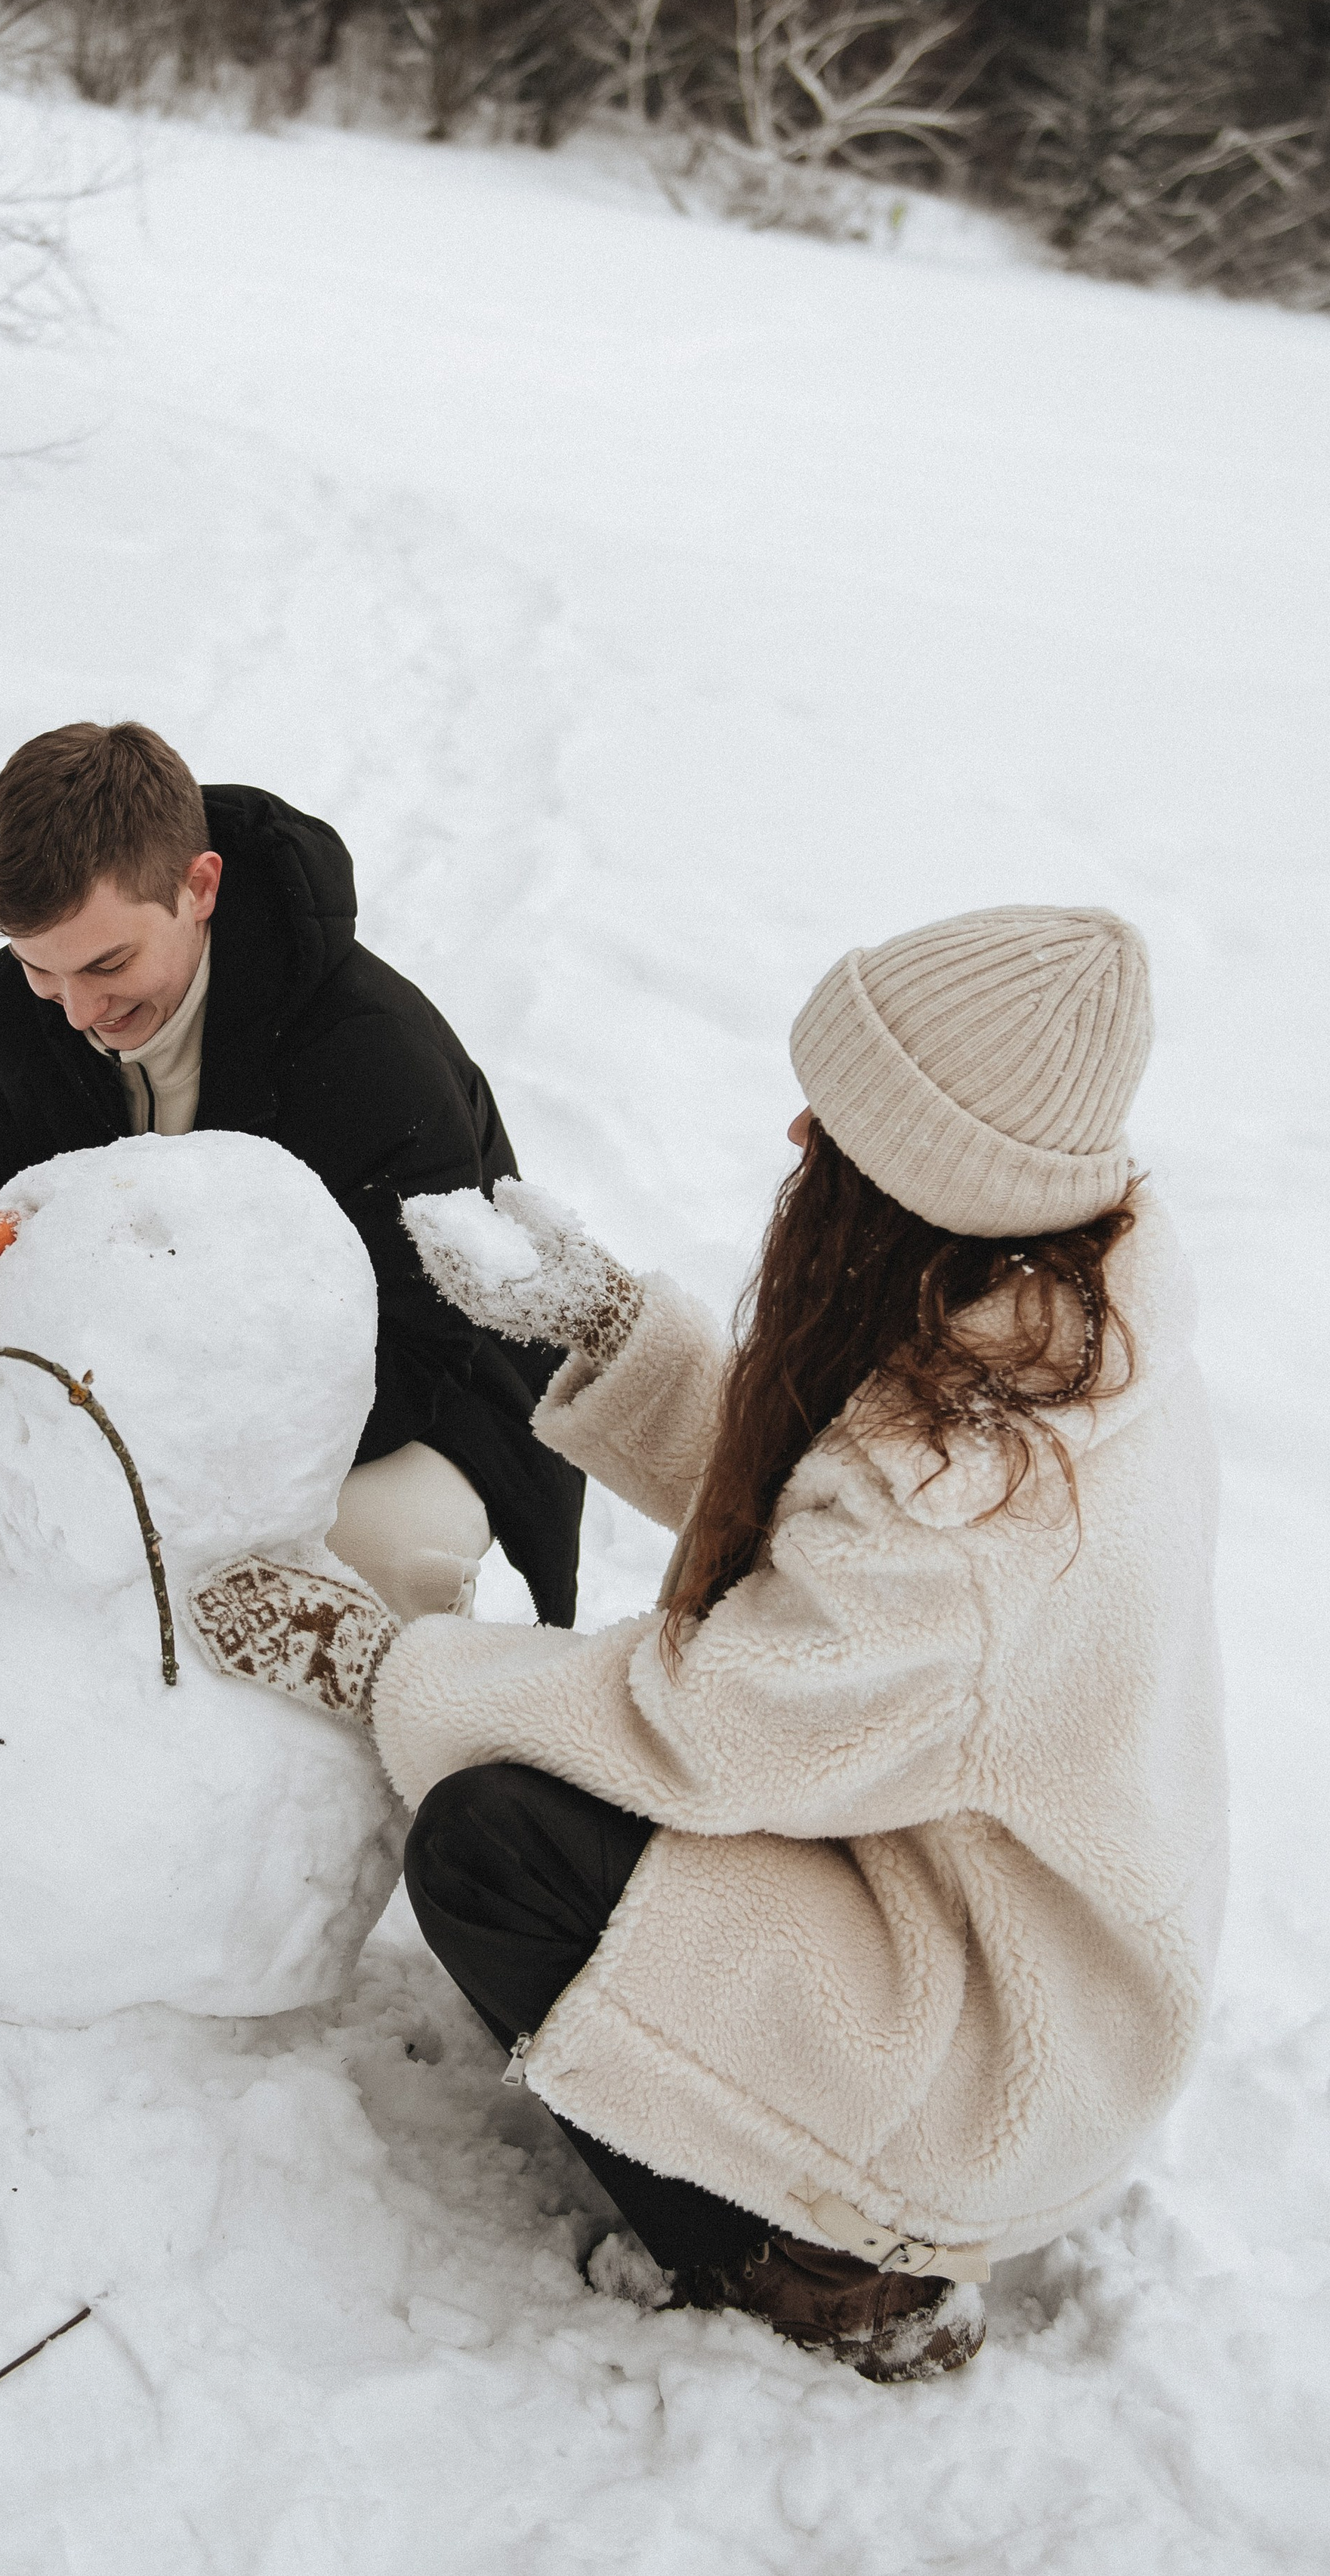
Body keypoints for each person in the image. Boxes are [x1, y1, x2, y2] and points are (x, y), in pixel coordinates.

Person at [184, 905, 1227, 2383]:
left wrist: (375, 1664)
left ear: (932, 1185)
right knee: (543, 1780)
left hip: (991, 2043)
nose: (799, 1132)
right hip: (965, 1893)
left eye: (845, 1129)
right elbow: (836, 1522)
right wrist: (609, 1331)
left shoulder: (973, 1503)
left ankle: (826, 2269)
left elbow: (708, 1729)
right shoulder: (1047, 1308)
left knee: (495, 1841)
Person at [0, 720, 585, 1626]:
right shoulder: (20, 1006)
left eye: (109, 963)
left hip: (415, 1389)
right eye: (42, 968)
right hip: (111, 1359)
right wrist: (25, 1405)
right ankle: (88, 1630)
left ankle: (345, 1719)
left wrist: (165, 1437)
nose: (78, 1010)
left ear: (199, 887)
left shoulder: (367, 1048)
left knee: (384, 1549)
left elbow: (420, 1346)